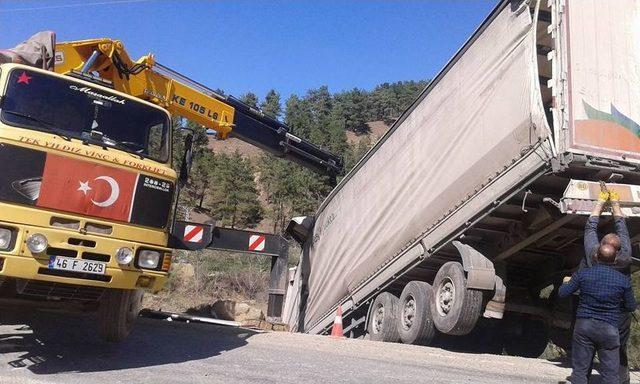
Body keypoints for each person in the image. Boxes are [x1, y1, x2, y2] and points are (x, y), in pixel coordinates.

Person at [559, 241, 636, 384]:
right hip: (609, 329)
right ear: (615, 260)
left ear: (595, 256)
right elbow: (631, 306)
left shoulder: (583, 274)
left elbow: (563, 294)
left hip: (584, 327)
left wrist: (565, 282)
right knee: (611, 377)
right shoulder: (623, 281)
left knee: (580, 373)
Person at [582, 187, 633, 384]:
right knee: (618, 347)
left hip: (592, 313)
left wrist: (600, 203)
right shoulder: (625, 257)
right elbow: (622, 227)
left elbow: (590, 228)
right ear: (619, 249)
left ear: (601, 246)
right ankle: (622, 380)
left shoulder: (593, 255)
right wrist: (616, 204)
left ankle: (582, 379)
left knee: (588, 347)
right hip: (619, 314)